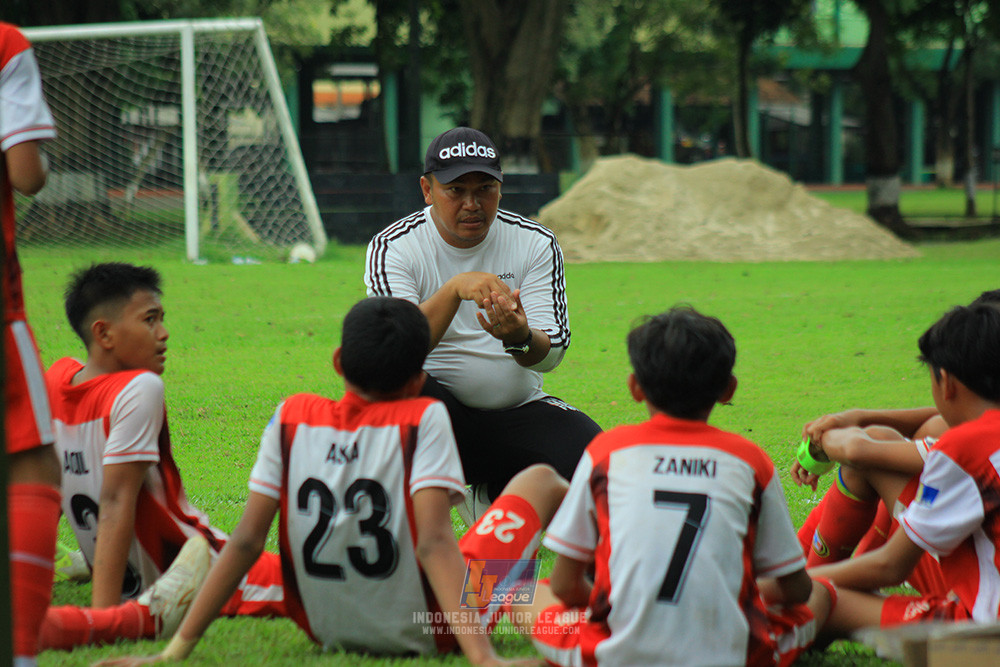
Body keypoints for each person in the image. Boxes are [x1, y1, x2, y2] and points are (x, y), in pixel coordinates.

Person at [97, 296, 564, 666]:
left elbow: (244, 541)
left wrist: (174, 651)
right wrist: (482, 657)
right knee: (540, 490)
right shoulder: (424, 417)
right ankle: (594, 581)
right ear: (418, 378)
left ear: (339, 362)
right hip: (427, 626)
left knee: (500, 575)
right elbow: (434, 545)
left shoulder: (292, 416)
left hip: (325, 626)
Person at [515, 306, 835, 665]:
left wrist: (617, 609)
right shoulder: (750, 460)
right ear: (729, 390)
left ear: (635, 387)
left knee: (525, 595)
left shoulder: (607, 451)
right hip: (732, 655)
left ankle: (467, 621)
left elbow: (564, 585)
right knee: (820, 595)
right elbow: (796, 589)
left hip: (613, 652)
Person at [38, 262, 284, 651]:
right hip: (203, 572)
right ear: (104, 333)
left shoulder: (54, 380)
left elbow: (47, 491)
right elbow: (116, 500)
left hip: (162, 574)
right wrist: (104, 620)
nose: (164, 334)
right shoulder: (139, 388)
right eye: (150, 320)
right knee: (323, 586)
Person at [364, 127, 601, 512]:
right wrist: (455, 288)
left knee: (598, 467)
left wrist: (520, 337)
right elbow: (392, 355)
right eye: (456, 190)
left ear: (501, 189)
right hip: (437, 419)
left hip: (517, 412)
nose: (472, 203)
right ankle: (422, 509)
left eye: (485, 188)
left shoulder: (534, 242)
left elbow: (551, 353)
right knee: (398, 391)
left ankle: (491, 499)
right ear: (427, 190)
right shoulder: (394, 246)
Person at [810, 302, 1000, 634]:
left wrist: (794, 584)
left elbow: (891, 566)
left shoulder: (966, 447)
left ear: (945, 381)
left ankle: (785, 599)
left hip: (984, 638)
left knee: (820, 600)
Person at [2, 21, 60, 667]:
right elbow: (26, 173)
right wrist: (43, 152)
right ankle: (21, 652)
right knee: (33, 465)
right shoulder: (6, 45)